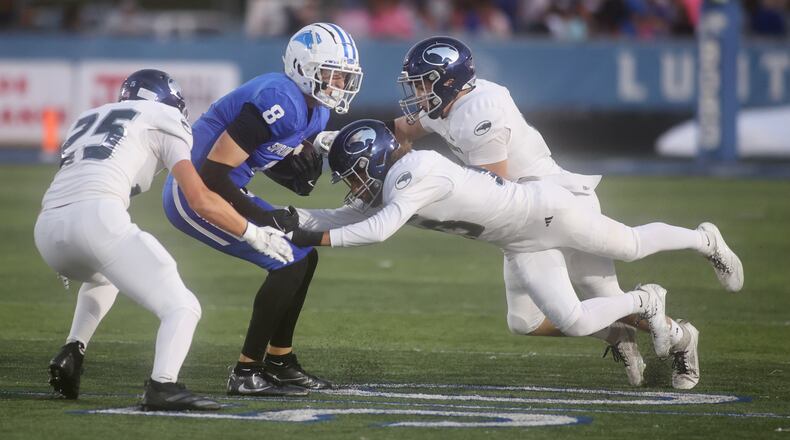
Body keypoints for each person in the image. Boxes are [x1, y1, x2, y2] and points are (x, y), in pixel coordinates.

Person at [315, 36, 737, 389]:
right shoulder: (444, 104)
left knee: (623, 260)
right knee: (528, 320)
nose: (417, 94)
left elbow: (490, 189)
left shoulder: (481, 112)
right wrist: (331, 143)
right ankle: (623, 333)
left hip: (553, 199)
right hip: (522, 223)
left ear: (448, 82)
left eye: (423, 84)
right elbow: (400, 132)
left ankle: (702, 250)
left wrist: (419, 185)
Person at [34, 69, 294, 411]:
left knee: (106, 273)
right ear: (172, 103)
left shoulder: (90, 117)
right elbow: (199, 198)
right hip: (94, 220)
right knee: (183, 307)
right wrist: (253, 233)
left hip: (49, 228)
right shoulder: (166, 118)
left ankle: (73, 350)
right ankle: (162, 386)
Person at [161, 23, 363, 396]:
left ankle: (280, 361)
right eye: (333, 74)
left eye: (344, 76)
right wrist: (263, 220)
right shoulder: (280, 98)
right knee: (288, 259)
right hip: (193, 191)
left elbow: (265, 160)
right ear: (304, 68)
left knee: (303, 255)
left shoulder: (314, 112)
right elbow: (214, 173)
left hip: (224, 186)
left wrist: (300, 174)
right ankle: (246, 372)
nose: (340, 84)